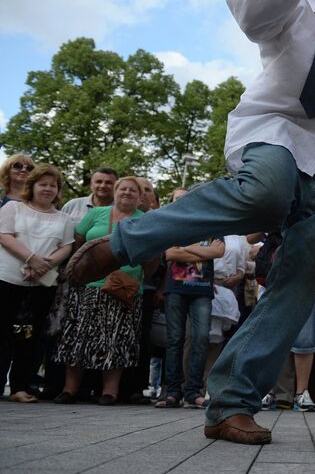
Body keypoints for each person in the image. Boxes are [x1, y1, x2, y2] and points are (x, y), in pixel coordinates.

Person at [68, 0, 315, 445]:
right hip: (276, 135)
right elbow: (246, 11)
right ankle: (125, 240)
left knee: (297, 284)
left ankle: (230, 405)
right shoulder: (289, 3)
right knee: (267, 193)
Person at [54, 177, 145, 406]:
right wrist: (83, 269)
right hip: (88, 286)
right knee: (77, 336)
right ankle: (70, 389)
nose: (127, 193)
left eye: (133, 190)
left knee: (117, 339)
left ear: (140, 197)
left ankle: (109, 392)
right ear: (115, 192)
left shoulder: (145, 220)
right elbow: (79, 240)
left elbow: (152, 256)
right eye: (123, 189)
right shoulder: (97, 213)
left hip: (123, 288)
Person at [0, 164, 74, 402]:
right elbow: (4, 235)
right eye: (43, 184)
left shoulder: (64, 218)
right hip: (8, 278)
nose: (48, 189)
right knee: (2, 333)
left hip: (42, 284)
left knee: (31, 337)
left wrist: (44, 264)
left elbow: (67, 246)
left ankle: (20, 387)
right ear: (32, 186)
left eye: (53, 185)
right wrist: (31, 259)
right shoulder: (13, 207)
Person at [155, 187, 225, 409]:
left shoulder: (211, 223)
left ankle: (194, 391)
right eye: (177, 199)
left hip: (202, 290)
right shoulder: (170, 222)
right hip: (175, 288)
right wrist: (202, 250)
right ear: (172, 202)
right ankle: (173, 392)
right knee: (175, 339)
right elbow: (169, 254)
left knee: (201, 338)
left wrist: (185, 248)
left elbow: (218, 252)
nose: (182, 202)